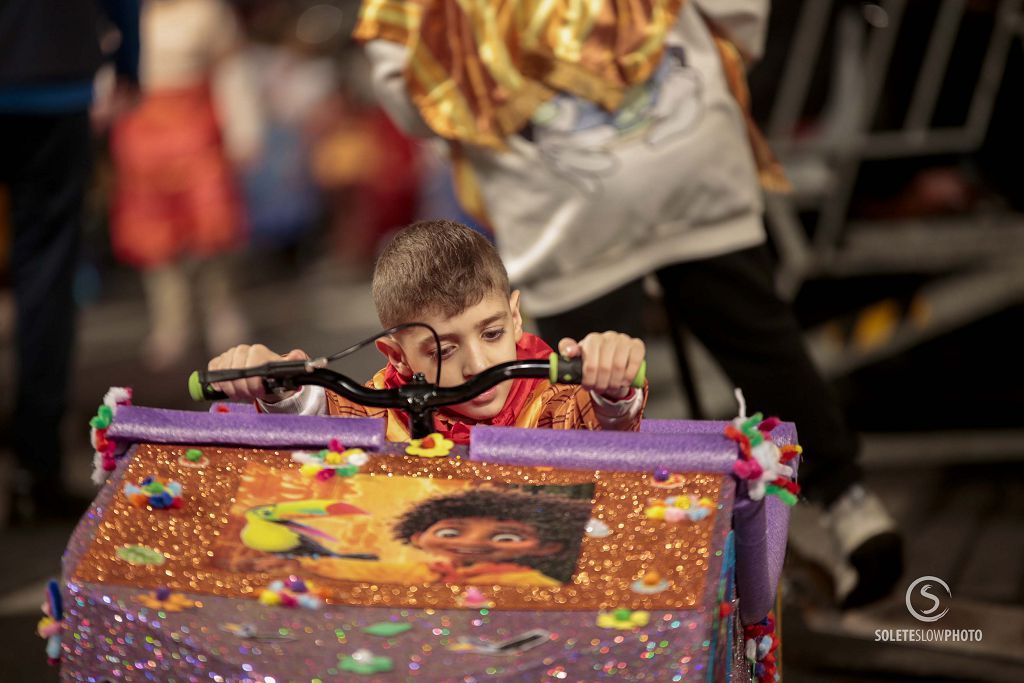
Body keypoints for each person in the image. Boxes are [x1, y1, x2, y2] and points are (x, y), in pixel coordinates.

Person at [349, 1, 902, 607]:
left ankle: (601, 570)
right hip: (680, 174)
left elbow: (410, 86)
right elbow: (740, 13)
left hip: (565, 208)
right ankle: (843, 505)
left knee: (581, 412)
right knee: (727, 351)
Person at [209, 219, 648, 442]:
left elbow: (608, 426)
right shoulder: (380, 410)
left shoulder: (552, 400)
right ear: (396, 355)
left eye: (492, 334)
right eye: (442, 350)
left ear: (516, 318)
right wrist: (275, 387)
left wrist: (611, 381)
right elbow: (316, 414)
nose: (477, 366)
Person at [0, 0, 139, 520]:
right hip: (54, 80)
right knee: (48, 281)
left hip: (54, 83)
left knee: (48, 278)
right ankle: (35, 471)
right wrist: (129, 62)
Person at [109, 0, 261, 369]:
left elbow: (231, 70)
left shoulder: (207, 12)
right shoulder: (124, 11)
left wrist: (244, 127)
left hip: (197, 128)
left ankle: (221, 311)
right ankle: (170, 323)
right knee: (154, 237)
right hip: (142, 132)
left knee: (212, 228)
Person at [392, 488, 592, 586]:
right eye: (449, 533)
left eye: (507, 538)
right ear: (418, 537)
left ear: (548, 546)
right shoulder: (418, 572)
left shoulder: (528, 582)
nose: (471, 542)